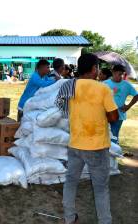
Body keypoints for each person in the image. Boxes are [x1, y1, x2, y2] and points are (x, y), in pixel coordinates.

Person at [57, 53, 119, 224]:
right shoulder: (103, 89)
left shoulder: (70, 86)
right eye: (97, 67)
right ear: (94, 69)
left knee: (71, 182)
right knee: (100, 189)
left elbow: (63, 109)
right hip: (97, 146)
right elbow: (113, 118)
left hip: (75, 144)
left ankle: (69, 218)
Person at [104, 64, 138, 146]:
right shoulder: (104, 83)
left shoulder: (126, 84)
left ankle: (112, 156)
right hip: (105, 114)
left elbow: (136, 95)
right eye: (119, 74)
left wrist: (128, 106)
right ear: (113, 72)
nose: (121, 76)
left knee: (114, 137)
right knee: (104, 136)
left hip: (119, 115)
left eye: (122, 74)